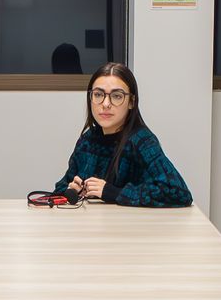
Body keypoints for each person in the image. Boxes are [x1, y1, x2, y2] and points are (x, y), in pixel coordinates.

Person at [49, 62, 192, 207]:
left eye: (117, 96)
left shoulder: (141, 141)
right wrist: (71, 190)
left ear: (131, 102)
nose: (105, 104)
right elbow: (61, 186)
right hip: (93, 225)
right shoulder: (88, 139)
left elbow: (178, 192)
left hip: (130, 226)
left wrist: (114, 193)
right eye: (98, 94)